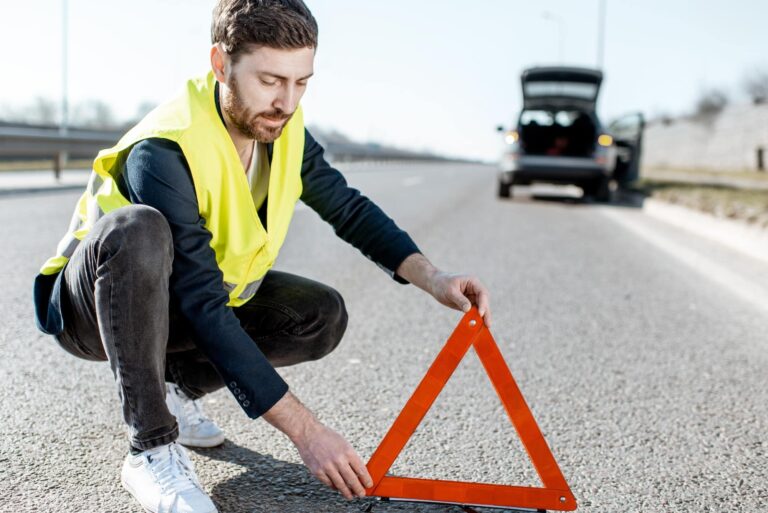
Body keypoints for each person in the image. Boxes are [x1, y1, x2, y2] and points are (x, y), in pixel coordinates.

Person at [32, 1, 492, 512]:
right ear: (220, 64)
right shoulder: (165, 147)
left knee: (320, 314)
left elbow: (348, 208)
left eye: (301, 82)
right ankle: (150, 448)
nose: (286, 102)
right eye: (271, 80)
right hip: (95, 309)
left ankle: (177, 391)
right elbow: (202, 302)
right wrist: (307, 431)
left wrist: (433, 277)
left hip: (181, 302)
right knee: (139, 228)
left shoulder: (284, 130)